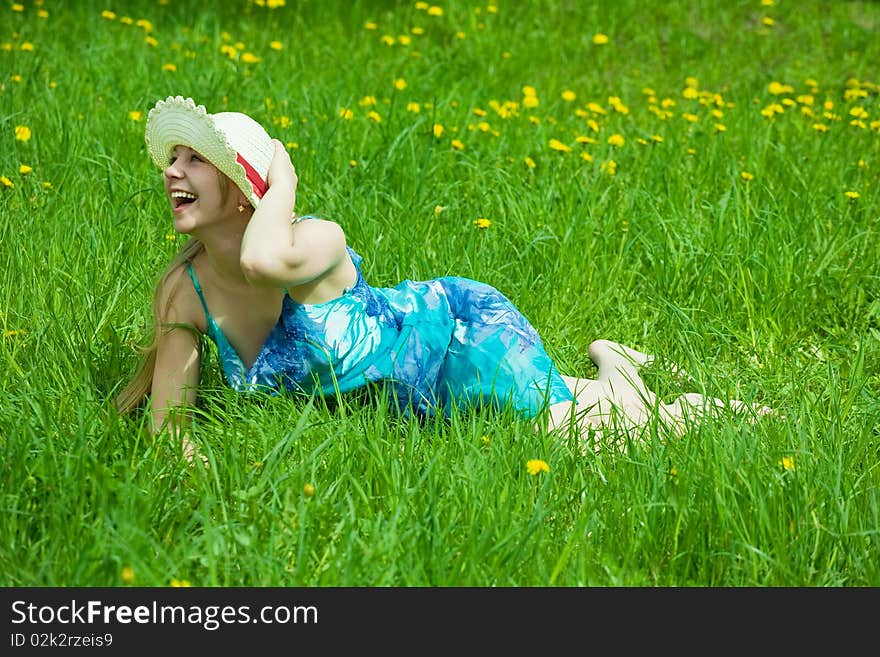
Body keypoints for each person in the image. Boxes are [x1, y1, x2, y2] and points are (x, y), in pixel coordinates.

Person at [115, 96, 774, 461]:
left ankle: (677, 402)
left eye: (195, 159)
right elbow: (170, 428)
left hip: (457, 341)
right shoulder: (187, 290)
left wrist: (281, 180)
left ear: (241, 190)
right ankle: (613, 360)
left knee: (592, 443)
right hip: (402, 409)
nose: (172, 170)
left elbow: (262, 261)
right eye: (171, 158)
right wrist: (195, 476)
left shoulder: (317, 240)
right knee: (573, 416)